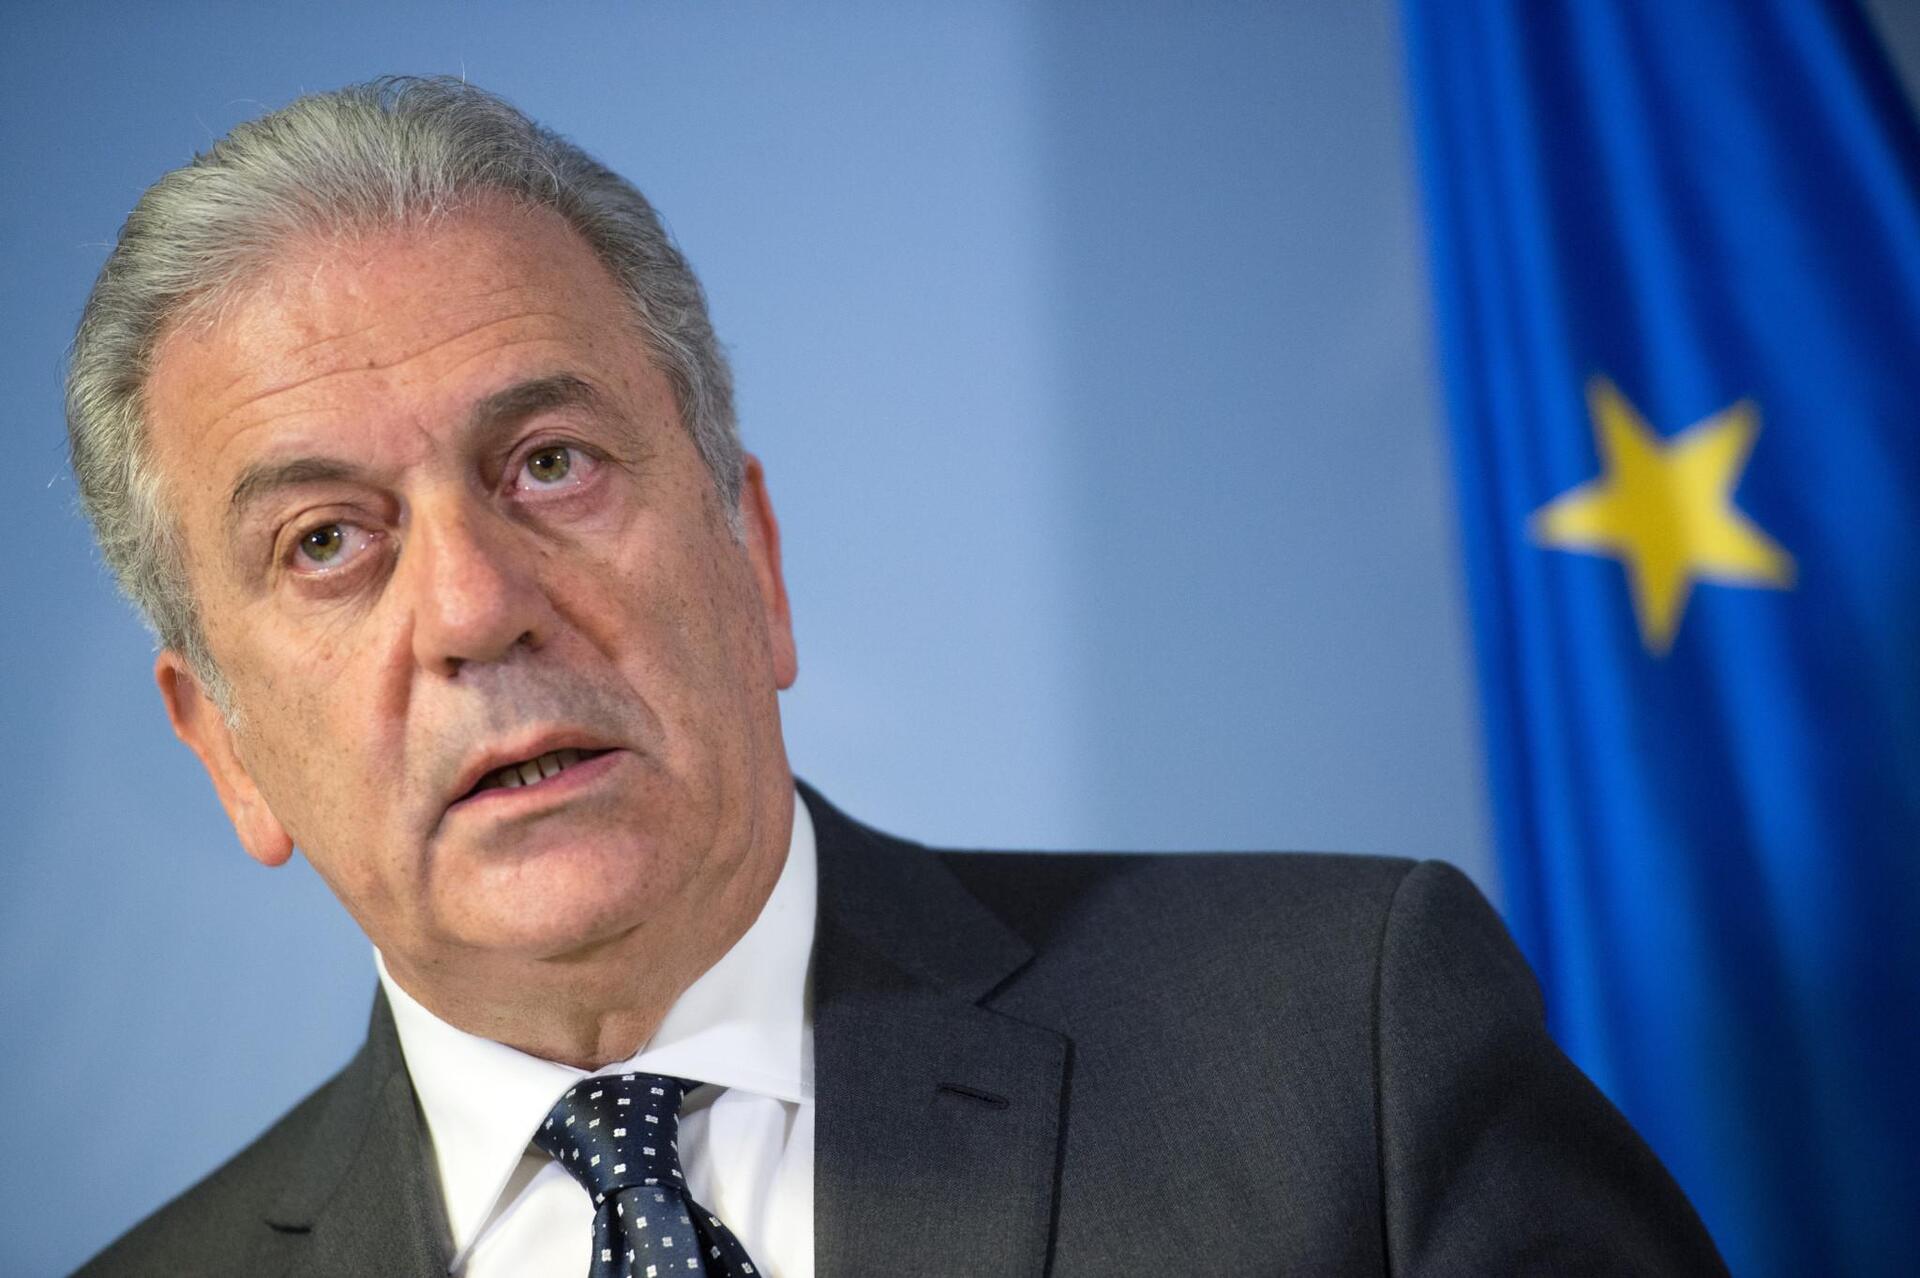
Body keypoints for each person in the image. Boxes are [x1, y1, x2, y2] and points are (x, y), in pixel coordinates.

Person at [66, 77, 1725, 1277]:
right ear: (227, 748)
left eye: (550, 462)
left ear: (754, 559)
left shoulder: (1341, 1049)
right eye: (326, 543)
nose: (476, 605)